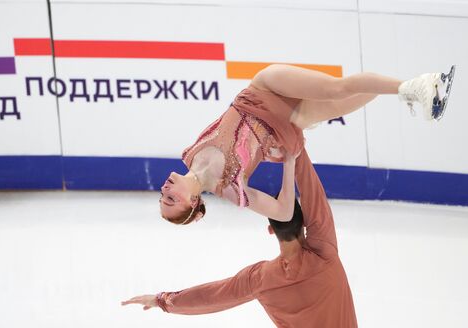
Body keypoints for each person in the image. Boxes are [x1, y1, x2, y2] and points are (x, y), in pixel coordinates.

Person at [160, 64, 452, 224]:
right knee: (342, 104)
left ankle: (422, 84)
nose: (165, 191)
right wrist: (290, 164)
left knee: (336, 88)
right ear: (193, 202)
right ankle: (412, 90)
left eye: (162, 196)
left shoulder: (190, 155)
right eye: (171, 199)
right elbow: (284, 213)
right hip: (282, 123)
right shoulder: (230, 189)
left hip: (262, 90)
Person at [124, 148, 357, 327]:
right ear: (305, 222)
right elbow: (313, 194)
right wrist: (297, 149)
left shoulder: (261, 280)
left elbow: (211, 297)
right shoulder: (324, 252)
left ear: (271, 230)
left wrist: (162, 300)